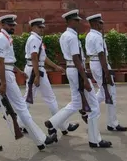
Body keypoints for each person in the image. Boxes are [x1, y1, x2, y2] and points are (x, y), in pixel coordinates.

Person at [0, 14, 54, 152]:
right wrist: (3, 83)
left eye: (13, 25)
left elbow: (7, 61)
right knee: (21, 107)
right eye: (9, 25)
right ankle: (41, 139)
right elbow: (1, 62)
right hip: (4, 76)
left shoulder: (5, 38)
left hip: (5, 72)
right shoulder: (2, 38)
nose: (12, 27)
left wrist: (19, 71)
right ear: (2, 25)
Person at [45, 10, 108, 148]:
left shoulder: (65, 35)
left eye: (78, 20)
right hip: (77, 71)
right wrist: (85, 78)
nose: (78, 22)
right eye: (76, 20)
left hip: (72, 69)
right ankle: (95, 140)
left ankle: (53, 122)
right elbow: (76, 58)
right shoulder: (72, 37)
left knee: (76, 102)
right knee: (94, 107)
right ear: (69, 21)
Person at [23, 18, 79, 134]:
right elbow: (34, 57)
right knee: (49, 99)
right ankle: (60, 125)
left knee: (28, 99)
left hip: (35, 69)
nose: (42, 29)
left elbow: (43, 57)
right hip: (36, 70)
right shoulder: (34, 39)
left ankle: (20, 122)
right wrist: (37, 75)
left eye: (43, 27)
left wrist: (55, 67)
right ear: (33, 27)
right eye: (39, 27)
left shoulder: (36, 39)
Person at [85, 14, 126, 132]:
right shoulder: (96, 36)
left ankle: (87, 108)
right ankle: (113, 123)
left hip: (95, 64)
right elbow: (101, 54)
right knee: (110, 93)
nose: (102, 25)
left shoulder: (90, 35)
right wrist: (107, 73)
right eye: (100, 23)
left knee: (103, 92)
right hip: (100, 64)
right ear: (94, 24)